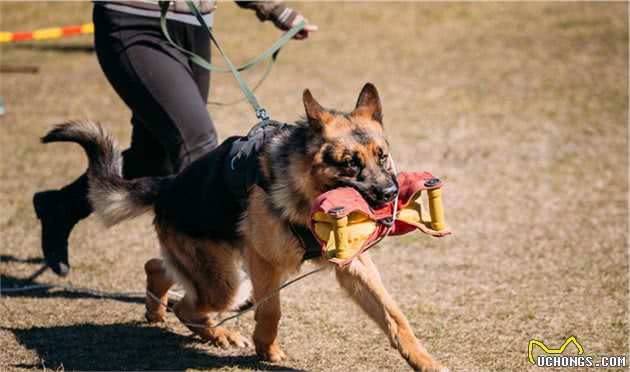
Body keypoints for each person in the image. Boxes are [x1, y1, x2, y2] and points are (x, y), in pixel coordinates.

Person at [33, 0, 317, 276]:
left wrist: (276, 9)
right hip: (131, 20)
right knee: (197, 144)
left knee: (153, 158)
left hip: (194, 25)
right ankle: (211, 271)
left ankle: (60, 207)